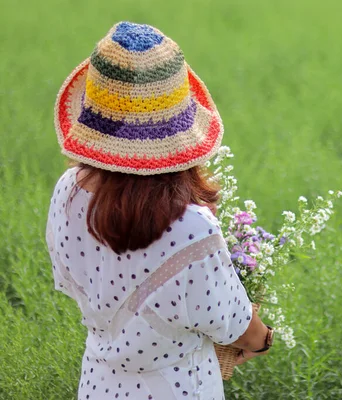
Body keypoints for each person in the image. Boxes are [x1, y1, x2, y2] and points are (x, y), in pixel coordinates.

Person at [45, 21, 273, 400]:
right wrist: (263, 340)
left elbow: (70, 281)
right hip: (180, 388)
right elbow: (232, 324)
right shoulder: (192, 226)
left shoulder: (67, 193)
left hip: (97, 385)